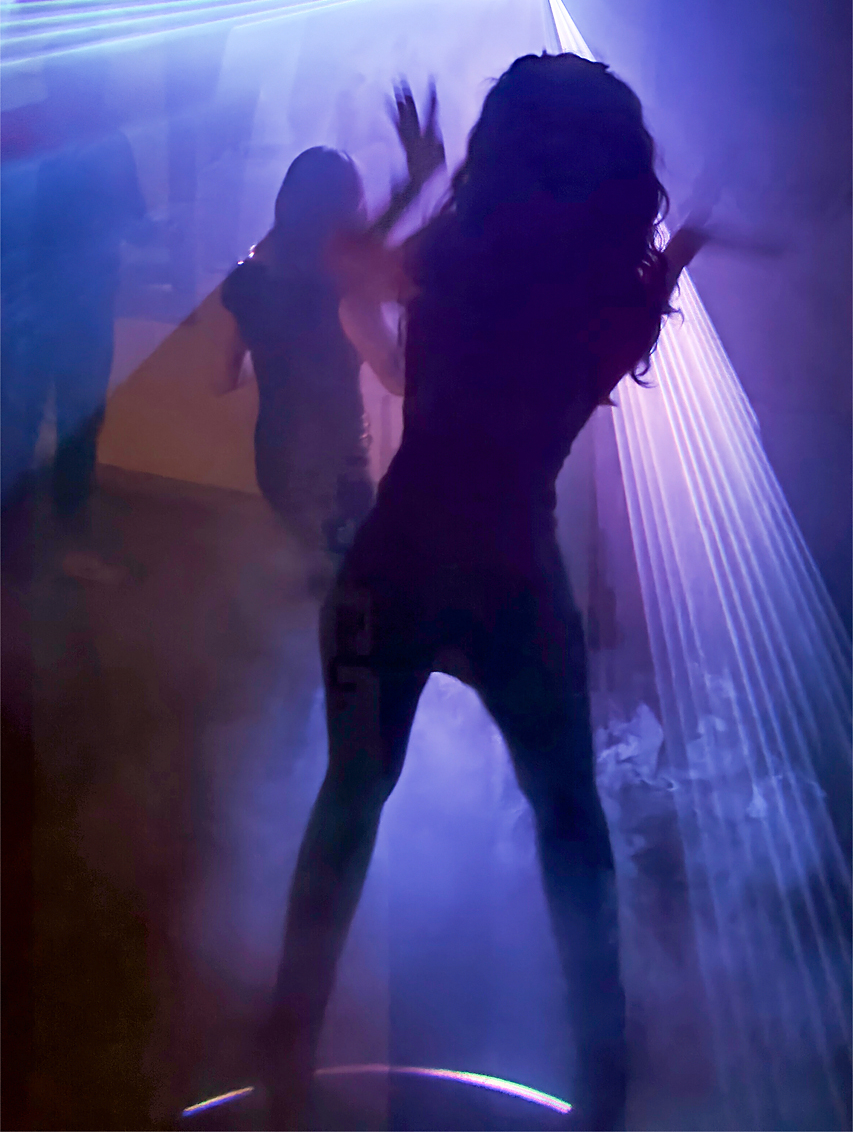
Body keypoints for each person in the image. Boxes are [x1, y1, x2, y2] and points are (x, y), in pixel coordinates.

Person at [260, 56, 709, 1131]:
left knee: (349, 802)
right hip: (511, 572)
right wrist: (684, 248)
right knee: (571, 828)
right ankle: (604, 1090)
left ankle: (284, 1059)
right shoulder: (609, 298)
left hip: (399, 559)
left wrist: (418, 174)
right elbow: (621, 320)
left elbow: (342, 266)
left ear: (495, 152)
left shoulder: (453, 257)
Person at [219, 123, 439, 575]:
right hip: (336, 474)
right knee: (354, 581)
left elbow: (225, 377)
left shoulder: (245, 279)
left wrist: (281, 347)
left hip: (274, 462)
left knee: (316, 564)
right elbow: (399, 381)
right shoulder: (345, 294)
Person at [3, 50, 149, 583]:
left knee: (18, 430)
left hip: (26, 313)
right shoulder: (105, 140)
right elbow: (134, 222)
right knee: (69, 428)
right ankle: (63, 545)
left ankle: (19, 549)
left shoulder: (13, 128)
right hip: (72, 313)